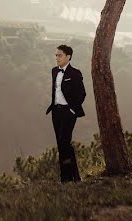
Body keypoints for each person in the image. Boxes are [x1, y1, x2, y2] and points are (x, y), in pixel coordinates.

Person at [45, 44, 86, 182]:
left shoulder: (75, 73)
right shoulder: (54, 71)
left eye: (59, 55)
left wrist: (72, 109)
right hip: (56, 112)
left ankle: (66, 178)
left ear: (68, 57)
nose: (56, 58)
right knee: (62, 144)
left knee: (64, 141)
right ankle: (74, 177)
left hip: (68, 112)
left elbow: (82, 94)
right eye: (56, 55)